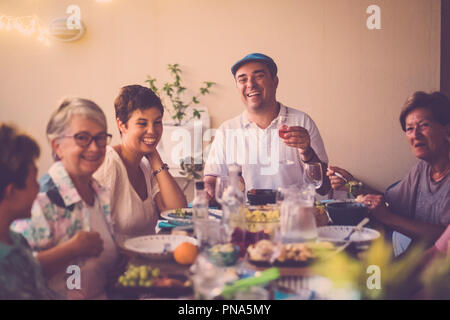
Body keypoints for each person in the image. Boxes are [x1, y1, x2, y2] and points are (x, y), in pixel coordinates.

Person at [12, 98, 119, 299]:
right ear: (57, 146)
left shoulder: (99, 193)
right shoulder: (40, 198)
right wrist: (70, 249)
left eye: (100, 137)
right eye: (82, 137)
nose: (95, 147)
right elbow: (15, 272)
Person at [327, 91, 450, 252]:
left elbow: (445, 239)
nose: (415, 134)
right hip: (415, 262)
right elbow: (388, 201)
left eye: (424, 125)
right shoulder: (422, 169)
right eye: (409, 128)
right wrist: (351, 184)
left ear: (447, 130)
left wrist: (388, 218)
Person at [204, 53, 331, 198]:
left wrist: (307, 151)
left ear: (274, 82)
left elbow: (324, 188)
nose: (250, 84)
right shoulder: (227, 130)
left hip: (292, 216)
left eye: (258, 76)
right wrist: (209, 190)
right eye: (243, 79)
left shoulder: (301, 122)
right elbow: (211, 179)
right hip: (244, 218)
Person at [94, 85, 187, 241]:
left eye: (157, 122)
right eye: (142, 123)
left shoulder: (145, 165)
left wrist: (156, 159)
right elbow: (94, 230)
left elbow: (178, 212)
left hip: (146, 259)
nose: (152, 131)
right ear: (122, 125)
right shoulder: (108, 163)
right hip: (119, 263)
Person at [0, 124, 58, 299]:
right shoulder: (5, 269)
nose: (39, 187)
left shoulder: (16, 239)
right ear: (11, 192)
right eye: (33, 181)